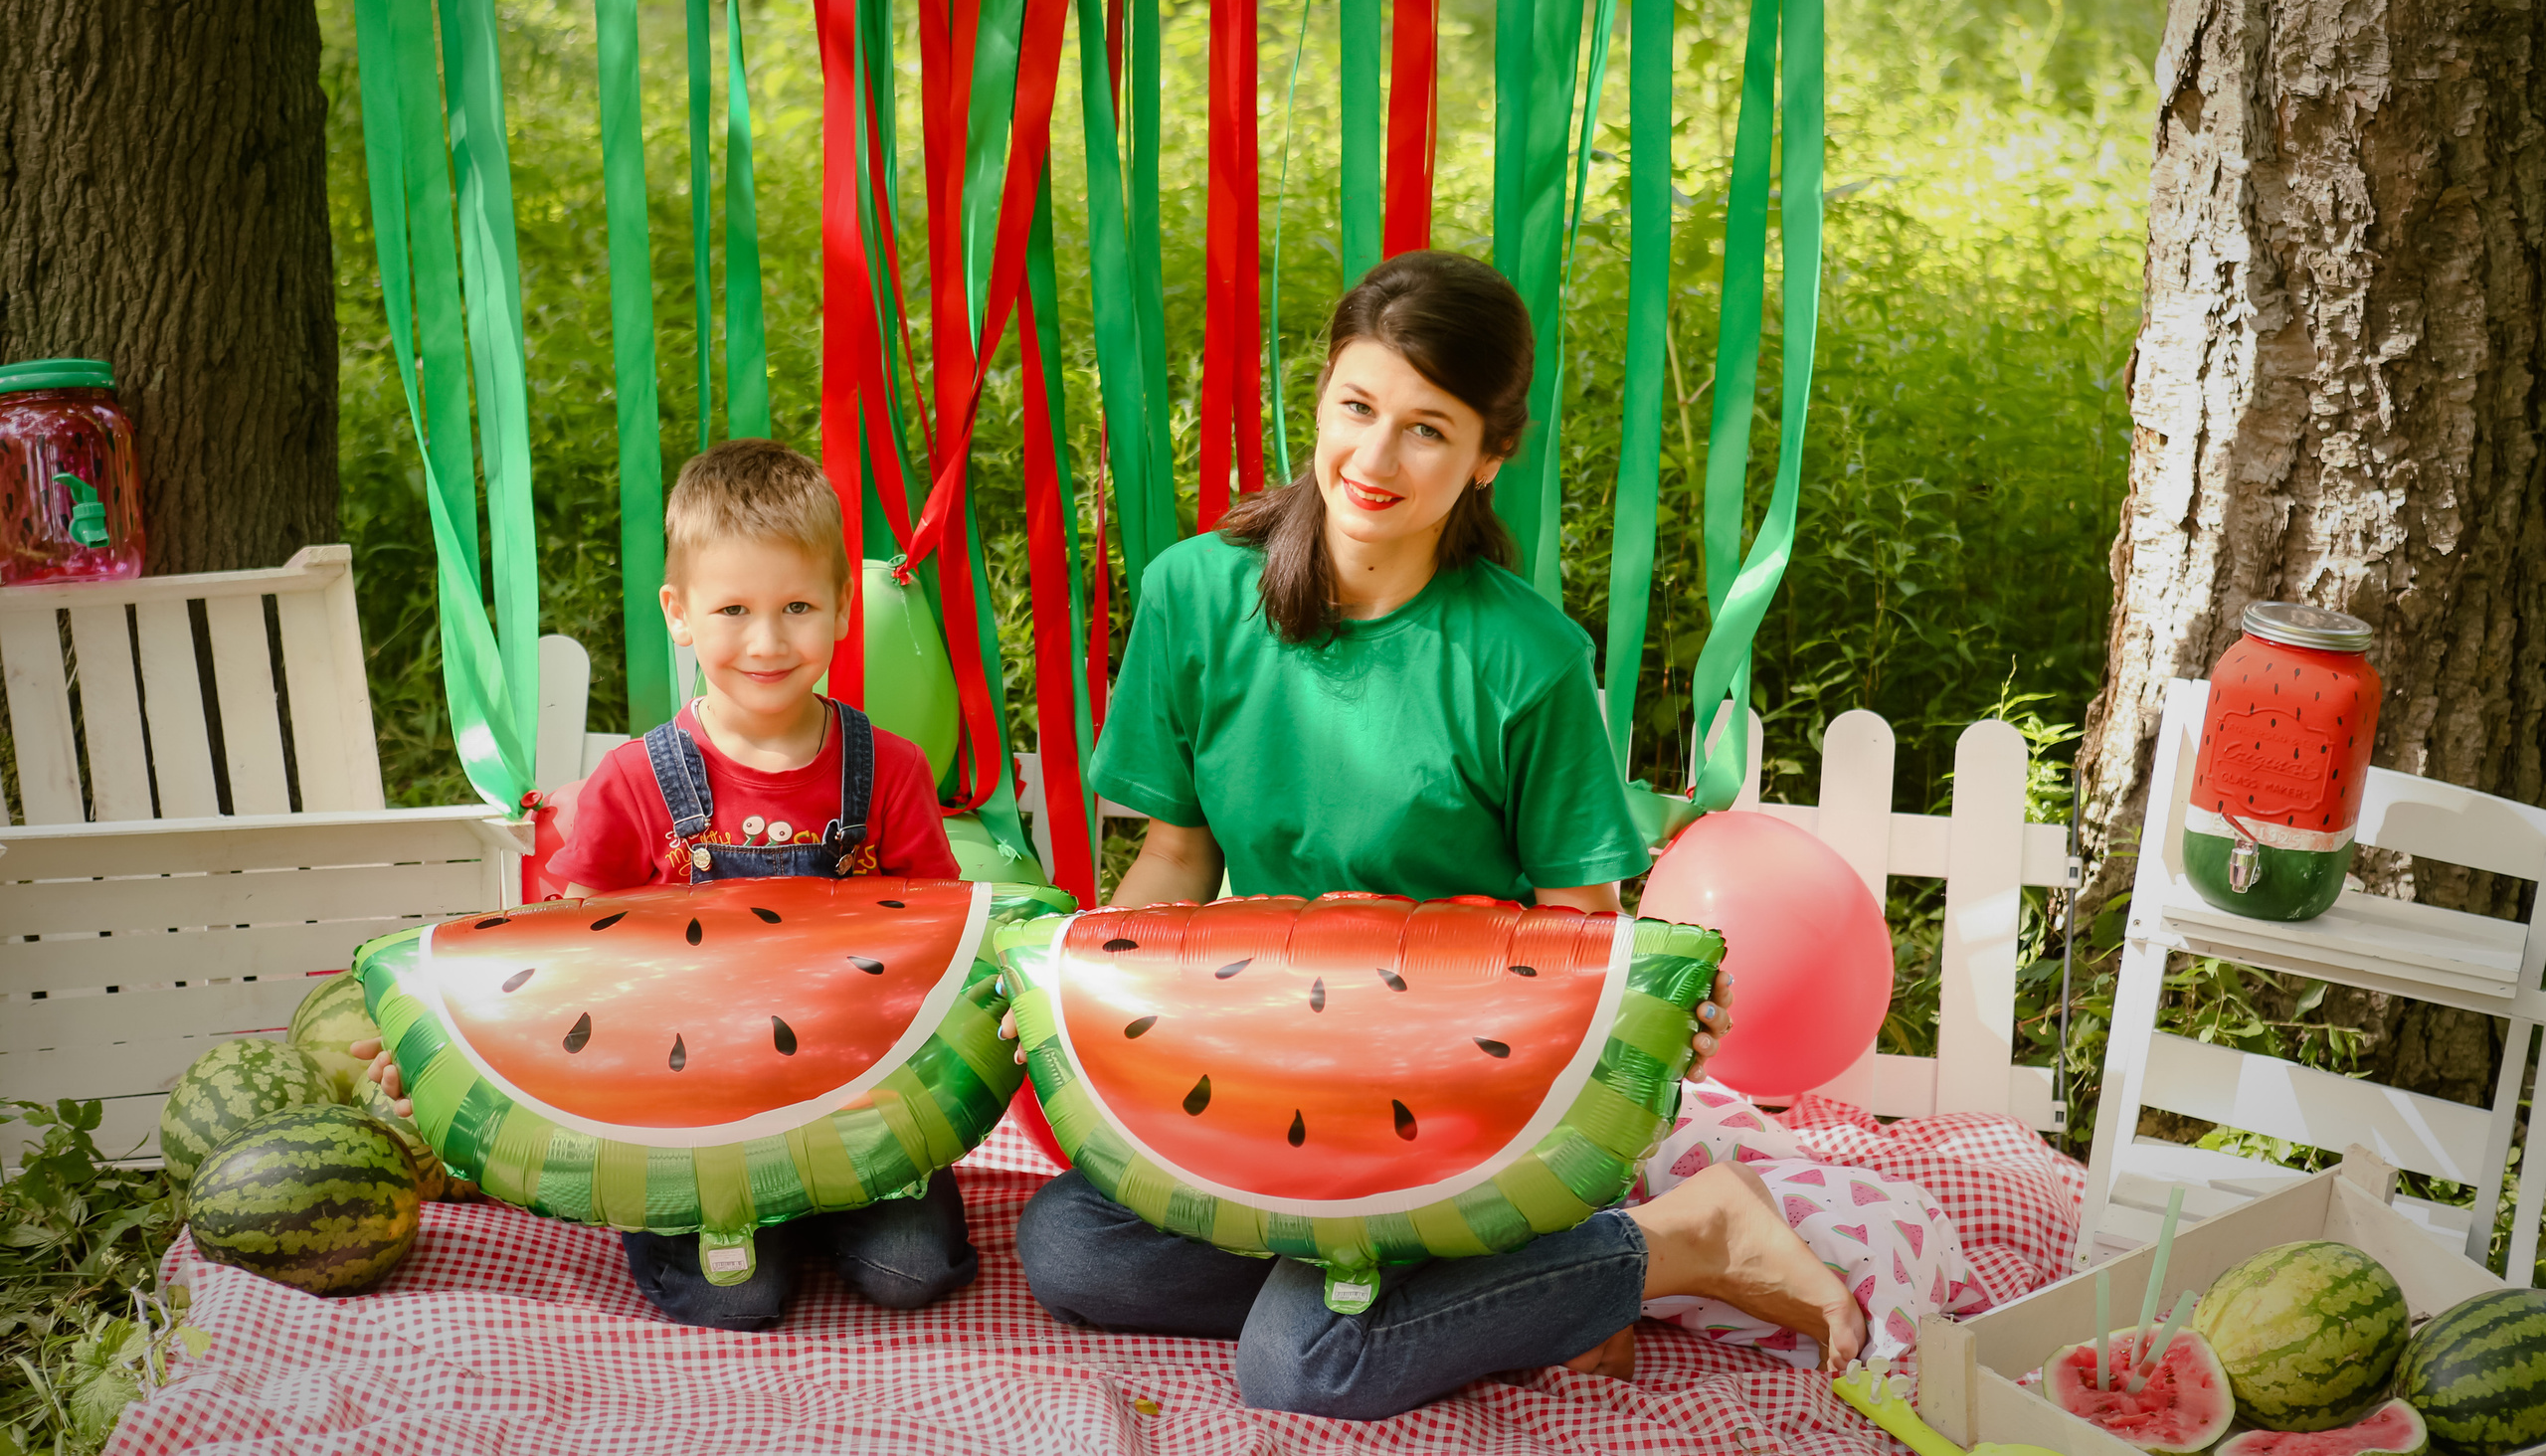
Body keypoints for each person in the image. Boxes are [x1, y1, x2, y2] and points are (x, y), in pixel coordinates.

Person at [1012, 251, 1867, 1419]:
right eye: (1356, 407)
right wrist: (1079, 997)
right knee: (1070, 1247)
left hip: (1457, 1098)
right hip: (1267, 1061)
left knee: (1302, 1366)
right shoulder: (1192, 594)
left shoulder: (1528, 658)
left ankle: (1685, 1238)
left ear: (1489, 456)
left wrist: (1647, 1019)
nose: (1373, 460)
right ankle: (1509, 1293)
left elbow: (1578, 930)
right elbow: (1176, 856)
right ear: (1319, 397)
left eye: (1426, 430)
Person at [357, 439, 971, 1333]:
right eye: (734, 609)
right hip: (686, 1126)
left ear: (844, 604)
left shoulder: (891, 771)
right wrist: (444, 1037)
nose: (767, 641)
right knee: (738, 1297)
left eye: (799, 606)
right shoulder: (635, 780)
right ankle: (758, 1228)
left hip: (859, 1105)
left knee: (912, 1271)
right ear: (679, 613)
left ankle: (815, 1214)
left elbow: (941, 944)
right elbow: (559, 962)